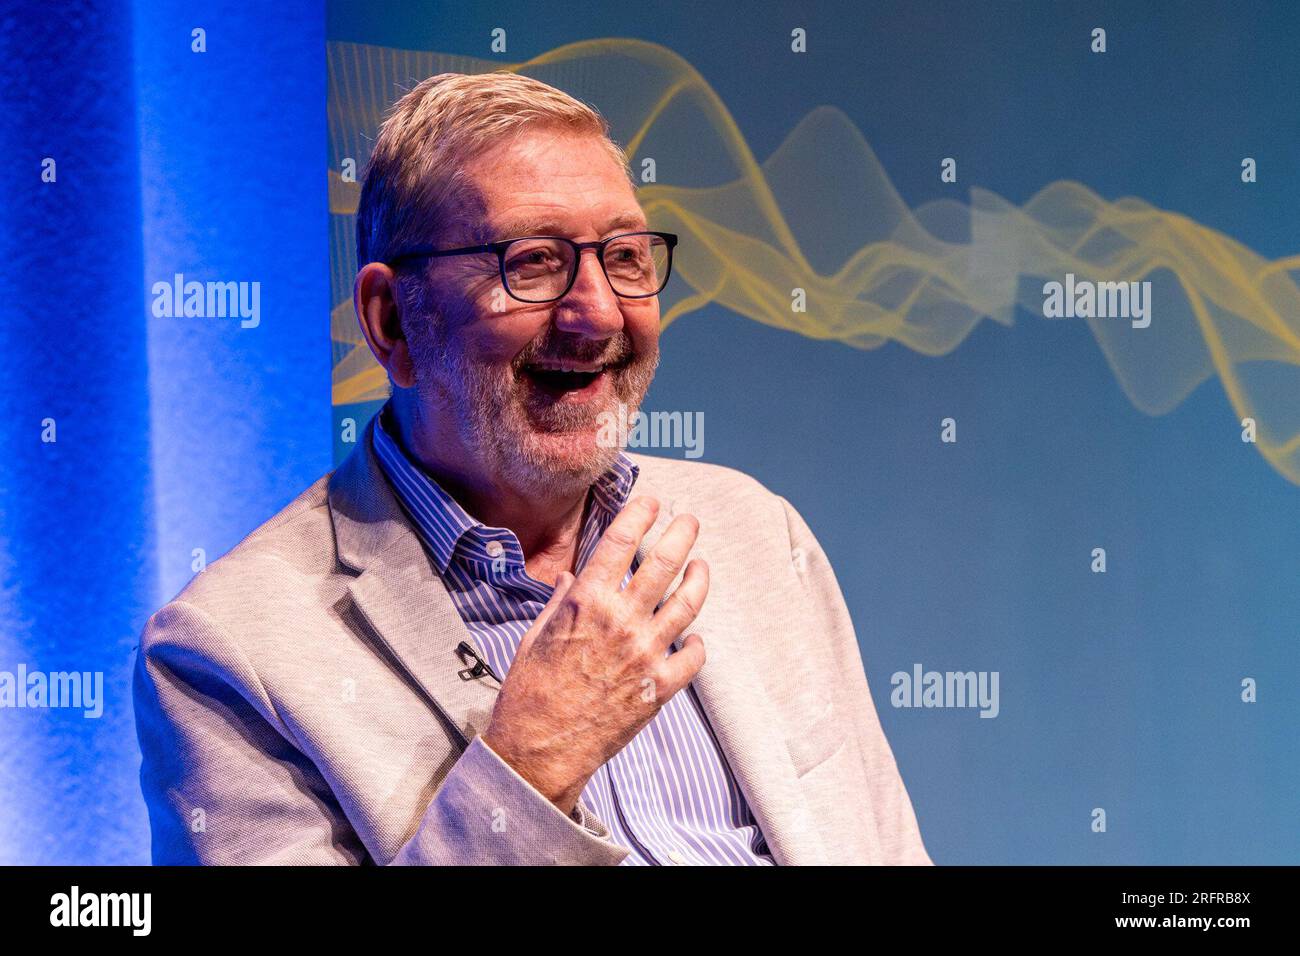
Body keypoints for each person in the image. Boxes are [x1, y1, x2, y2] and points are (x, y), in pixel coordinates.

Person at [132, 71, 933, 866]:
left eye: (624, 257)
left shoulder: (757, 534)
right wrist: (531, 765)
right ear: (391, 321)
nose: (599, 313)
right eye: (535, 262)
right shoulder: (228, 653)